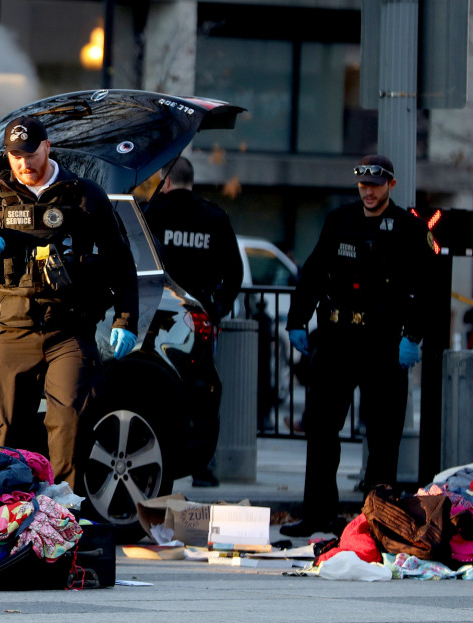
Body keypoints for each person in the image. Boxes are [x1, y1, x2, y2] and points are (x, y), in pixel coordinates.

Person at [0, 115, 140, 489]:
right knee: (4, 435)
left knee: (70, 424)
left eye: (31, 153)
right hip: (10, 332)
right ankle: (7, 524)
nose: (24, 164)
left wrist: (126, 319)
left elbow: (120, 258)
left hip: (68, 331)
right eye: (15, 156)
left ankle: (64, 519)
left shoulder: (83, 195)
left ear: (47, 147)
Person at [279, 154, 432, 538]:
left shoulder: (409, 229)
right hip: (337, 340)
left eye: (376, 185)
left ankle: (377, 522)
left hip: (383, 344)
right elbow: (313, 272)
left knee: (382, 437)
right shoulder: (339, 220)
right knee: (321, 430)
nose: (368, 191)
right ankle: (317, 515)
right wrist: (297, 320)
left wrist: (412, 337)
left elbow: (426, 290)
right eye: (363, 184)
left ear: (391, 186)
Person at [143, 157, 243, 487]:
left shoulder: (151, 213)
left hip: (154, 318)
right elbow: (234, 273)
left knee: (152, 388)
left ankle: (156, 454)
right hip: (197, 320)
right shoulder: (214, 216)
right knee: (200, 390)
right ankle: (204, 465)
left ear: (166, 181)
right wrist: (216, 309)